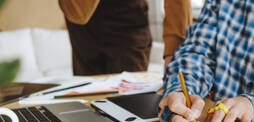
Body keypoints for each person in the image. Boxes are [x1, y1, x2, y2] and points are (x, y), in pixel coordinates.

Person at [58, 0, 192, 75]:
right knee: (84, 104)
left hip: (129, 18)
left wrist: (176, 48)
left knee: (131, 101)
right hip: (79, 17)